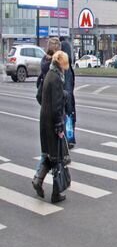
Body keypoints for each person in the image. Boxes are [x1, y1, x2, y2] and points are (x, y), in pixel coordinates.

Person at [32, 51, 70, 204]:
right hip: (53, 123)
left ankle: (38, 180)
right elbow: (56, 106)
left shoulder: (48, 74)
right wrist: (59, 126)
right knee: (57, 158)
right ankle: (56, 193)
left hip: (44, 120)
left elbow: (39, 96)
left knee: (49, 155)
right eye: (65, 65)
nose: (66, 69)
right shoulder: (56, 79)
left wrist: (46, 107)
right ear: (61, 64)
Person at [59, 36, 76, 148]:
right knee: (67, 120)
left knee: (65, 120)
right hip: (66, 101)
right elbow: (68, 89)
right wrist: (70, 107)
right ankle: (67, 141)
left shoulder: (63, 67)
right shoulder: (66, 68)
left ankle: (66, 141)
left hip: (63, 100)